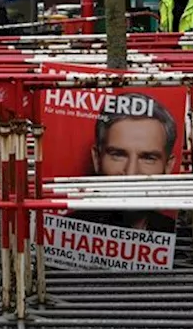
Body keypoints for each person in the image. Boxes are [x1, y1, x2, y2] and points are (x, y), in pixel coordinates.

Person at [70, 93, 179, 232]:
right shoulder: (64, 232)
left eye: (148, 158)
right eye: (118, 155)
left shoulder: (178, 234)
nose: (131, 172)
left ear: (168, 166)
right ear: (97, 159)